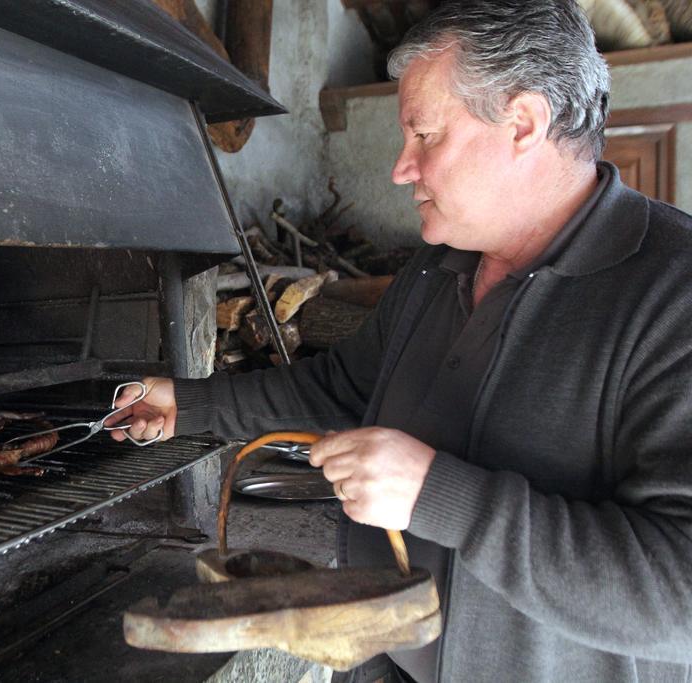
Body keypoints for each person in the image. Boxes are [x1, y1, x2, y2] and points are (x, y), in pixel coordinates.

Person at [108, 1, 692, 680]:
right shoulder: (437, 266)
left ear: (524, 123)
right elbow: (339, 388)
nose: (401, 168)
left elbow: (678, 593)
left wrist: (438, 494)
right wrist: (188, 404)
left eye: (424, 135)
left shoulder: (672, 293)